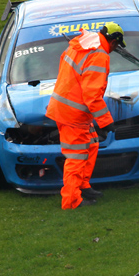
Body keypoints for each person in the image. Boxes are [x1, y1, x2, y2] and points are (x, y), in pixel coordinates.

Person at [45, 22, 125, 209]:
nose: (115, 50)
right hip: (74, 114)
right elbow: (92, 95)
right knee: (76, 156)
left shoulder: (83, 43)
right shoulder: (99, 55)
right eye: (116, 46)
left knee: (92, 144)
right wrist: (106, 122)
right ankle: (72, 201)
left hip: (67, 109)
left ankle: (83, 185)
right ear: (113, 41)